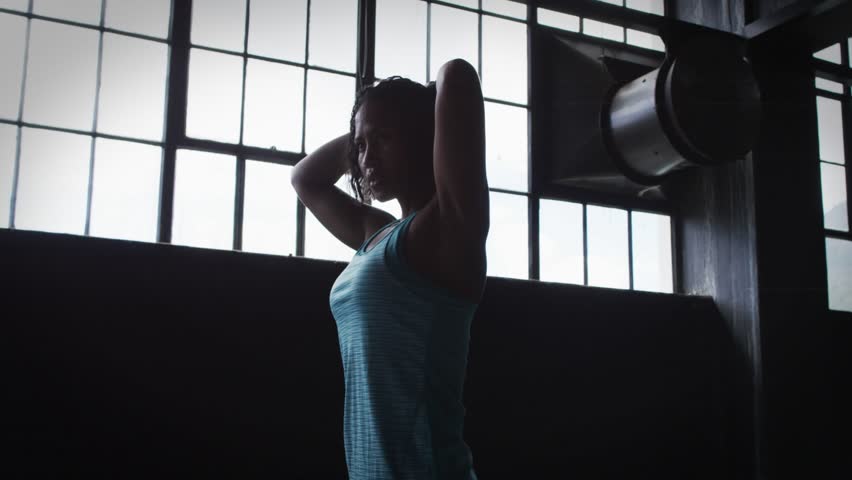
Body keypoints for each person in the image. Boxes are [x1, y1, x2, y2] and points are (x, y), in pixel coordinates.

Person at [291, 58, 488, 479]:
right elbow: (305, 178)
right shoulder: (377, 231)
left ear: (424, 137)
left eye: (384, 139)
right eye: (360, 147)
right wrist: (366, 125)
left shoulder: (447, 227)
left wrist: (420, 104)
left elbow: (457, 76)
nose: (366, 159)